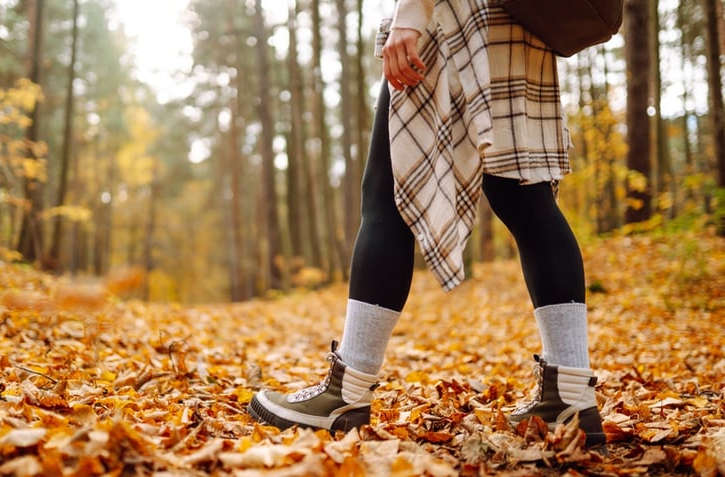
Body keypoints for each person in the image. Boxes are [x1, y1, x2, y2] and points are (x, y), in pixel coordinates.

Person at [247, 0, 605, 448]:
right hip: (520, 26)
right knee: (526, 198)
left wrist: (410, 15)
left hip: (452, 19)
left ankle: (347, 393)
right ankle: (570, 398)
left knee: (387, 194)